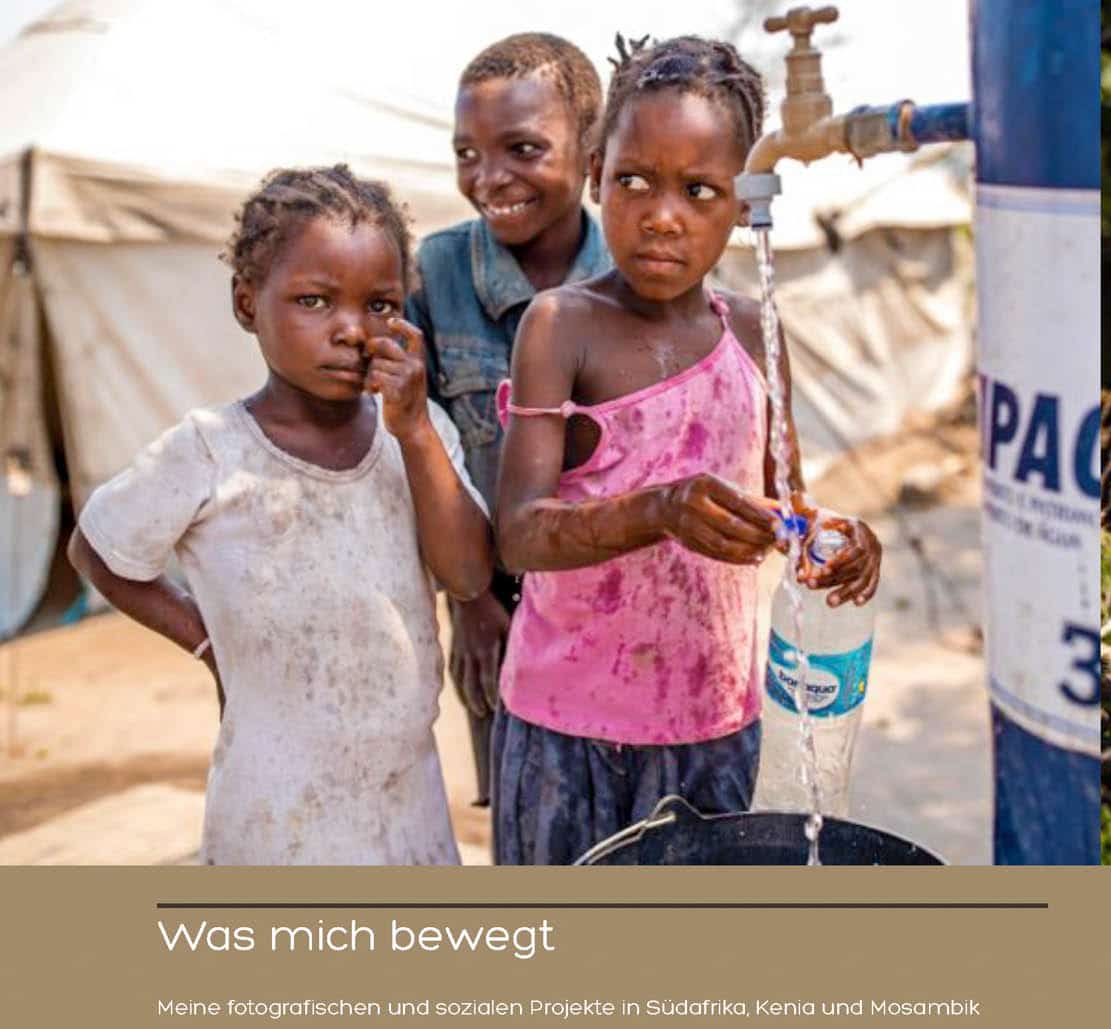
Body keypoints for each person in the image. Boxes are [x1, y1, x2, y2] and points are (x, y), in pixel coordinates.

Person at [493, 34, 881, 866]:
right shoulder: (563, 325)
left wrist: (836, 541)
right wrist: (657, 510)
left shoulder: (750, 328)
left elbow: (787, 509)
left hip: (716, 725)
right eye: (633, 180)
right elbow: (520, 532)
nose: (661, 214)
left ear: (743, 202)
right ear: (596, 171)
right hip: (571, 733)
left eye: (699, 190)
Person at [68, 166, 493, 865]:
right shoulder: (210, 450)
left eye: (381, 305)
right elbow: (97, 550)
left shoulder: (417, 436)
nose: (353, 330)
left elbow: (470, 575)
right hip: (273, 818)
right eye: (315, 301)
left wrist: (415, 430)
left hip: (405, 810)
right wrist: (208, 646)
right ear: (246, 302)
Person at [407, 32, 610, 808]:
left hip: (625, 612)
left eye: (522, 148)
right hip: (498, 612)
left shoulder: (644, 273)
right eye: (467, 153)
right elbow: (415, 453)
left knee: (643, 834)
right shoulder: (435, 275)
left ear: (590, 150)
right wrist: (470, 604)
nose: (489, 179)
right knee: (529, 838)